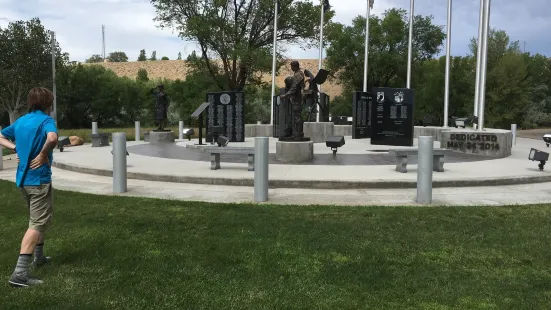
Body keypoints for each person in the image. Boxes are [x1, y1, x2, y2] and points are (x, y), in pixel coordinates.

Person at [0, 87, 59, 287]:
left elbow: (0, 135)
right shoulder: (46, 121)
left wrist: (15, 147)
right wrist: (43, 155)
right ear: (47, 103)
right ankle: (19, 274)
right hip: (39, 180)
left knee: (39, 220)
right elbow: (52, 138)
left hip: (23, 181)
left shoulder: (21, 121)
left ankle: (39, 257)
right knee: (36, 224)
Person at [280, 61, 308, 139]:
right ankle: (298, 133)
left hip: (297, 98)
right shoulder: (299, 74)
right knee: (297, 116)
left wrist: (285, 95)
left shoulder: (298, 74)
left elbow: (294, 88)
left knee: (297, 116)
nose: (291, 68)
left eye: (292, 66)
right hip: (296, 97)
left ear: (294, 66)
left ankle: (298, 134)